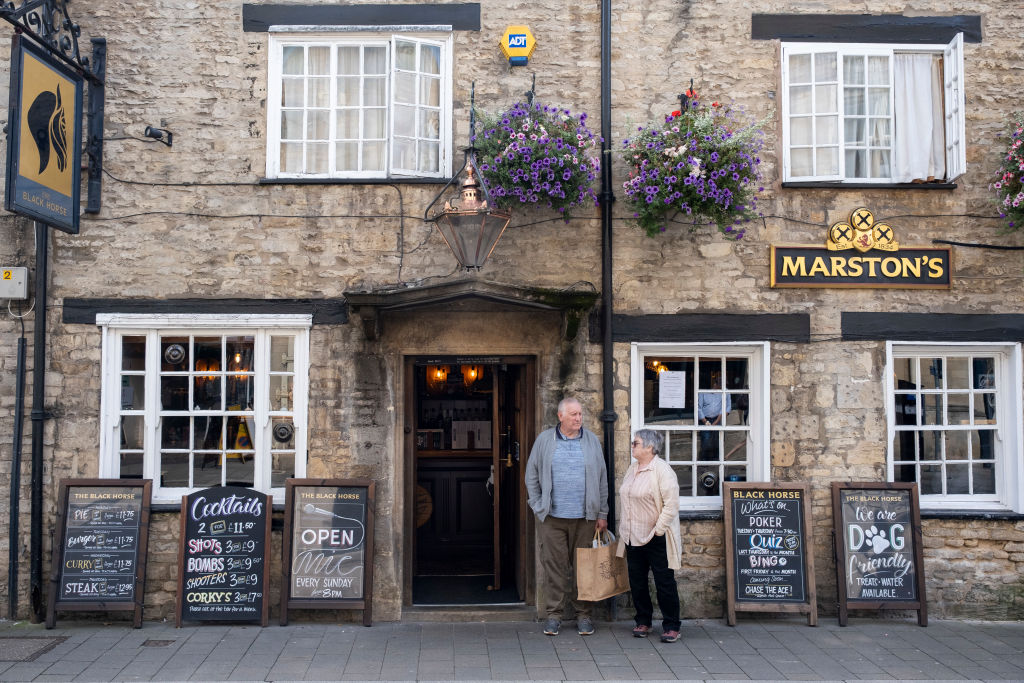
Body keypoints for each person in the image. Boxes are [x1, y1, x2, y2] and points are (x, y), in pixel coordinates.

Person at [525, 397, 609, 637]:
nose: (578, 418)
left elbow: (602, 478)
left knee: (584, 569)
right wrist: (537, 504)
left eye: (580, 414)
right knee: (554, 568)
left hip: (585, 518)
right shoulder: (544, 440)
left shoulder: (591, 440)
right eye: (573, 414)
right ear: (560, 416)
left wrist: (602, 513)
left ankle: (584, 615)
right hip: (552, 518)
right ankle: (554, 615)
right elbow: (531, 475)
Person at [616, 429, 683, 643]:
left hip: (656, 536)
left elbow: (671, 505)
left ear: (649, 447)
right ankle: (643, 621)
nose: (632, 446)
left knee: (664, 581)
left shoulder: (662, 471)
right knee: (637, 581)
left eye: (635, 443)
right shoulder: (633, 468)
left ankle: (672, 625)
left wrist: (659, 530)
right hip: (632, 536)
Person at [698, 371, 731, 460]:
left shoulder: (726, 392)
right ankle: (704, 461)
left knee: (719, 440)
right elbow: (698, 408)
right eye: (720, 386)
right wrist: (705, 421)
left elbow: (727, 408)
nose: (722, 388)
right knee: (706, 440)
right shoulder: (703, 392)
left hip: (718, 418)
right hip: (705, 419)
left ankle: (717, 460)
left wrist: (717, 421)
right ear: (716, 385)